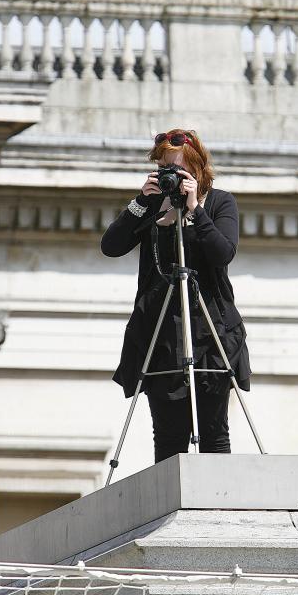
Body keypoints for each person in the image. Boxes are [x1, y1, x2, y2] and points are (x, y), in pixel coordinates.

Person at [100, 128, 251, 464]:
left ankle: (219, 505)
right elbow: (110, 246)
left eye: (179, 171)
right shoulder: (150, 208)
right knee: (168, 437)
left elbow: (223, 252)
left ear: (197, 170)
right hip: (162, 333)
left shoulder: (219, 202)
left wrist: (194, 210)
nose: (173, 178)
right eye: (166, 170)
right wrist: (143, 203)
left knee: (215, 434)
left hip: (210, 333)